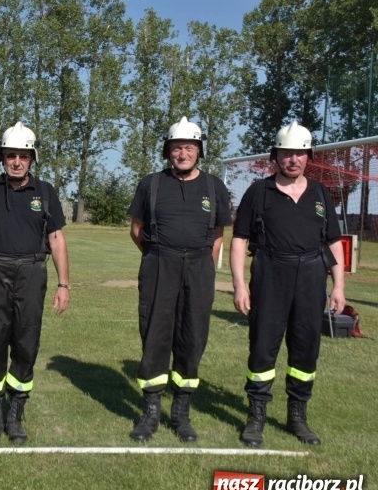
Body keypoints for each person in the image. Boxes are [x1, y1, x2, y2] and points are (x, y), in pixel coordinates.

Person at [230, 121, 345, 447]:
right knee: (263, 348)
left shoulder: (321, 192)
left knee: (306, 350)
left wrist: (338, 286)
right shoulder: (258, 192)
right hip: (270, 275)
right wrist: (240, 285)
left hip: (311, 276)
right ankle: (256, 418)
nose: (293, 159)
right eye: (286, 153)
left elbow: (333, 241)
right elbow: (239, 241)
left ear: (308, 156)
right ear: (275, 156)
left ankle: (297, 416)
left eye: (299, 153)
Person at [127, 117, 231, 443]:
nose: (183, 153)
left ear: (199, 151)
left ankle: (181, 413)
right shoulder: (151, 184)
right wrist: (161, 256)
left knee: (192, 338)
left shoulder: (214, 187)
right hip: (159, 264)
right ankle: (151, 412)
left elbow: (217, 235)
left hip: (199, 268)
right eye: (176, 148)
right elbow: (136, 230)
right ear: (167, 151)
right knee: (156, 335)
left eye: (189, 147)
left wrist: (202, 267)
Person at [0, 121, 70, 445]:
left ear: (31, 158)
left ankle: (15, 413)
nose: (16, 161)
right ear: (2, 157)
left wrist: (64, 284)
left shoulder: (45, 192)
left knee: (26, 345)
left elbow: (56, 239)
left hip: (31, 274)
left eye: (23, 155)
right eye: (11, 155)